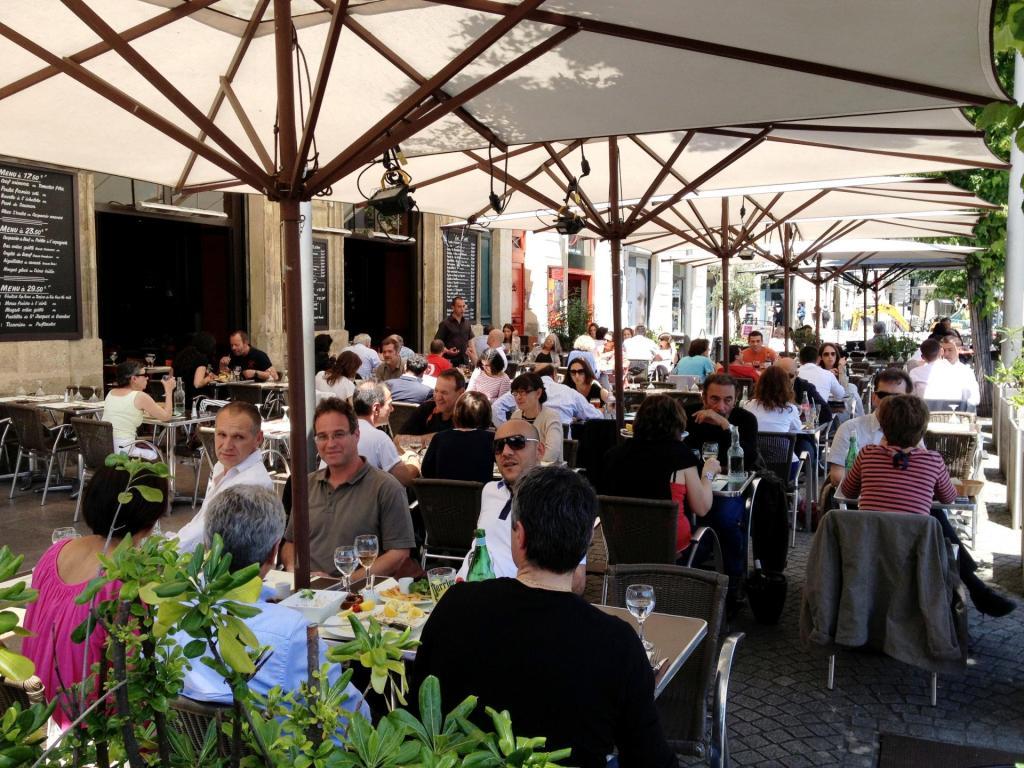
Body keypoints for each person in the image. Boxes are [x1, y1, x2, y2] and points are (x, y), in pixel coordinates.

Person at [414, 465, 674, 768]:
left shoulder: (455, 606)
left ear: (519, 535)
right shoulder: (617, 643)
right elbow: (650, 758)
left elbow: (422, 708)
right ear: (586, 542)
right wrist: (638, 687)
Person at [173, 485, 369, 716]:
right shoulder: (290, 629)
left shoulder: (170, 609)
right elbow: (353, 713)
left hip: (183, 747)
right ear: (273, 551)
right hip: (272, 751)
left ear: (207, 545)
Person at [832, 390, 1014, 617]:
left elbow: (847, 491)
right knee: (935, 517)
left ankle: (978, 589)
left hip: (871, 544)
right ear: (922, 430)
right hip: (917, 550)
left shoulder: (867, 454)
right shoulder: (933, 460)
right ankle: (976, 588)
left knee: (932, 517)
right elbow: (948, 499)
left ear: (884, 426)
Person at [22, 464, 167, 728]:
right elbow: (133, 679)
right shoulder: (126, 580)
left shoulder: (53, 553)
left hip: (39, 711)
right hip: (92, 728)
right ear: (151, 521)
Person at [281, 398, 414, 577]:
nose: (330, 443)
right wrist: (296, 571)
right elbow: (290, 543)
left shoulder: (386, 488)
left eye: (339, 434)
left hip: (358, 597)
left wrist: (341, 583)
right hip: (306, 593)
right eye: (322, 436)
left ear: (356, 435)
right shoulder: (306, 485)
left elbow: (399, 554)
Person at [600, 395, 719, 558]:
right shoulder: (680, 456)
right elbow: (702, 507)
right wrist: (708, 473)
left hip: (624, 543)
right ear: (678, 423)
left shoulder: (613, 455)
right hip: (671, 548)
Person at [172, 401, 274, 553]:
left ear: (258, 439)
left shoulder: (252, 484)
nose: (227, 445)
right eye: (221, 434)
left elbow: (201, 535)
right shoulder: (223, 466)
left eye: (238, 437)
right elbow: (200, 522)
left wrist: (162, 552)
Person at [827, 368, 914, 488]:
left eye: (897, 397)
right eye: (883, 395)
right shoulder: (849, 428)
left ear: (909, 400)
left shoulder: (913, 430)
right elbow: (836, 476)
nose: (890, 401)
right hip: (858, 502)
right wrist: (876, 490)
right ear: (874, 398)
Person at [491, 364, 602, 426]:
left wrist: (506, 430)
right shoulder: (568, 392)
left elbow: (496, 408)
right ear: (554, 375)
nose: (519, 397)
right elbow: (596, 416)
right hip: (561, 449)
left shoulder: (522, 391)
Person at [353, 382, 419, 487]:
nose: (392, 409)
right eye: (390, 404)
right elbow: (406, 479)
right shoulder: (379, 438)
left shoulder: (341, 430)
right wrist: (414, 459)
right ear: (376, 408)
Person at [420, 391, 495, 483]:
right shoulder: (491, 439)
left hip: (442, 495)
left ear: (457, 413)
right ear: (487, 415)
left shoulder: (440, 438)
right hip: (480, 495)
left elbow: (426, 471)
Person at [102, 361, 176, 454]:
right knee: (156, 454)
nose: (147, 377)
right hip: (123, 450)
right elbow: (166, 417)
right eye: (144, 374)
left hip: (105, 448)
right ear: (134, 378)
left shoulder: (111, 393)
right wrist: (169, 391)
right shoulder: (140, 396)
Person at [509, 372, 563, 463]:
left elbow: (551, 454)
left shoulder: (551, 417)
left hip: (548, 473)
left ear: (538, 393)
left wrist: (524, 463)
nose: (518, 397)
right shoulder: (516, 416)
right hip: (522, 472)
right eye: (515, 393)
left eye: (522, 392)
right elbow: (511, 447)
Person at [399, 368, 466, 440]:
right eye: (436, 391)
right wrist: (433, 438)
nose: (438, 397)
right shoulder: (427, 408)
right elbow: (397, 440)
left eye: (444, 393)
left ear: (460, 393)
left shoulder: (467, 416)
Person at [777, 356, 832, 426]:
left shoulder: (805, 387)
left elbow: (826, 413)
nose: (785, 380)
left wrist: (803, 410)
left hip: (798, 430)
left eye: (790, 376)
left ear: (796, 374)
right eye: (781, 376)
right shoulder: (768, 386)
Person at [172, 331, 217, 412]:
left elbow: (171, 377)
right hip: (194, 400)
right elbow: (197, 384)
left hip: (177, 399)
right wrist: (208, 378)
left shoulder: (180, 356)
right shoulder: (201, 359)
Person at [940, 335, 980, 409]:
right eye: (944, 350)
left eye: (950, 350)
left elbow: (974, 397)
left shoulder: (966, 372)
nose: (946, 354)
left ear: (959, 349)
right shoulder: (935, 369)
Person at [434, 295, 473, 366]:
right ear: (453, 307)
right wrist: (447, 351)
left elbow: (471, 342)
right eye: (459, 306)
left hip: (464, 362)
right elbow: (437, 343)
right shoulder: (445, 323)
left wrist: (474, 360)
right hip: (450, 362)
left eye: (463, 306)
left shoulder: (467, 323)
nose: (462, 309)